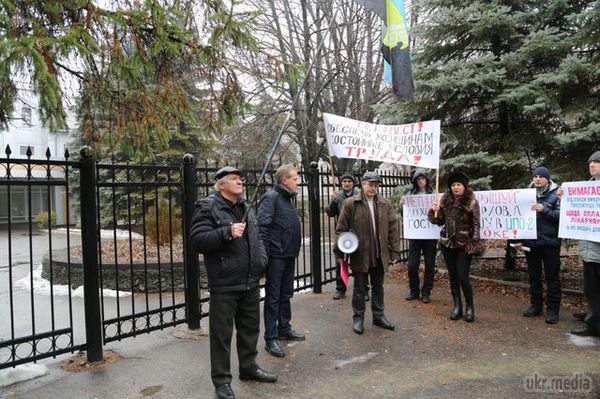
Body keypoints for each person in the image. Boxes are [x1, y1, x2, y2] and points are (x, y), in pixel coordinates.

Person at [190, 166, 277, 399]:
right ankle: (221, 382)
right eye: (234, 179)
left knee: (250, 330)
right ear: (221, 184)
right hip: (225, 283)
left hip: (249, 280)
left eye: (240, 179)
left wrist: (262, 260)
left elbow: (256, 237)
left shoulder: (245, 207)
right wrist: (226, 232)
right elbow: (197, 241)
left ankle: (248, 368)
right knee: (222, 336)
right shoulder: (207, 207)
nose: (240, 182)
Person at [334, 171, 401, 335]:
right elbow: (341, 230)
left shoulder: (385, 204)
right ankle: (358, 319)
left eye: (376, 185)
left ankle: (378, 316)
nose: (373, 188)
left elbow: (393, 228)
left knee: (378, 287)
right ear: (362, 184)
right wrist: (340, 252)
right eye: (370, 184)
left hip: (379, 253)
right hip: (360, 254)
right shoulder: (351, 203)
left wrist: (394, 253)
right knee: (359, 289)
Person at [257, 164, 305, 358]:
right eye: (295, 178)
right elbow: (263, 227)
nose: (298, 182)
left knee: (286, 293)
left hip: (288, 254)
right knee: (273, 297)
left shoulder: (288, 198)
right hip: (276, 256)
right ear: (284, 180)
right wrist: (266, 257)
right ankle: (271, 337)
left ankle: (284, 328)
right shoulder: (271, 197)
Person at [429, 171, 481, 322]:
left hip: (464, 243)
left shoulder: (472, 202)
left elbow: (476, 223)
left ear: (464, 186)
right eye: (453, 185)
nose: (456, 187)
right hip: (448, 243)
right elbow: (438, 222)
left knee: (463, 276)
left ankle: (469, 307)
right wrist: (435, 211)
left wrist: (474, 241)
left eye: (458, 185)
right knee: (453, 276)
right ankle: (457, 306)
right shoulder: (445, 201)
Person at [515, 166, 561, 324]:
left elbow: (563, 217)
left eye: (541, 176)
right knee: (534, 276)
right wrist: (518, 240)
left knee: (552, 277)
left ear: (547, 179)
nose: (537, 179)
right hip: (531, 243)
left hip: (550, 243)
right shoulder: (525, 195)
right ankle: (536, 305)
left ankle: (553, 309)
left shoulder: (557, 194)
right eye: (535, 176)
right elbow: (518, 217)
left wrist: (544, 210)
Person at [561, 151, 600, 336]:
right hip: (588, 249)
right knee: (591, 287)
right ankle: (593, 316)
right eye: (590, 162)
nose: (592, 165)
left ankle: (594, 325)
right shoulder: (587, 188)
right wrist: (565, 198)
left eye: (596, 162)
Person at [326, 172, 367, 301]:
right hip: (343, 234)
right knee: (341, 262)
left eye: (349, 181)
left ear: (353, 183)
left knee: (360, 262)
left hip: (358, 232)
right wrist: (333, 202)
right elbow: (330, 213)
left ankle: (364, 290)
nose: (347, 184)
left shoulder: (360, 194)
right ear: (341, 183)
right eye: (344, 182)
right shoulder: (337, 196)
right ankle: (340, 288)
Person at [401, 168, 438, 303]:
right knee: (412, 265)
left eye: (423, 178)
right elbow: (406, 215)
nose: (421, 181)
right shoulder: (410, 195)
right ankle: (414, 290)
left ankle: (426, 291)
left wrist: (437, 209)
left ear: (426, 180)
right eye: (418, 179)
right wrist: (402, 206)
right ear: (415, 181)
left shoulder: (434, 195)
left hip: (429, 236)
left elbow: (439, 217)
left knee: (429, 265)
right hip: (415, 236)